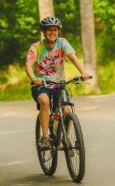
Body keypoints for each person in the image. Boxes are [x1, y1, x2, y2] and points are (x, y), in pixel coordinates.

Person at [26, 16, 90, 148]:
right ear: (44, 31)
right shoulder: (36, 47)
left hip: (59, 84)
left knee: (67, 110)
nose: (52, 32)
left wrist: (83, 72)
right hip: (42, 84)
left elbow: (73, 57)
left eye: (55, 30)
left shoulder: (62, 43)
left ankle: (64, 137)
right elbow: (28, 64)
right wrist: (33, 78)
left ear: (58, 31)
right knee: (44, 101)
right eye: (49, 30)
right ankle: (45, 138)